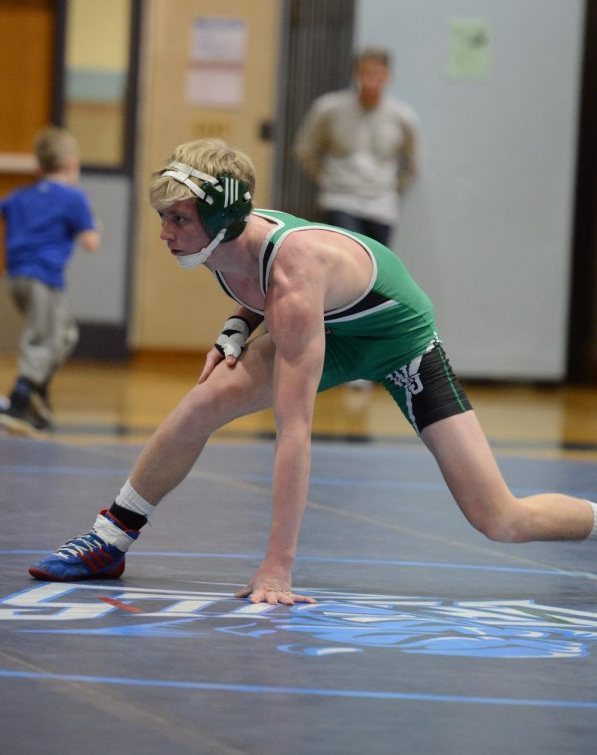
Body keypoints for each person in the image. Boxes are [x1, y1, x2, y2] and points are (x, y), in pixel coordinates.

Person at [28, 138, 597, 605]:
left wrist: (277, 567)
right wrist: (235, 327)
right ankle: (109, 540)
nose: (165, 232)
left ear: (222, 217)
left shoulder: (294, 273)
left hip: (398, 341)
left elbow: (294, 430)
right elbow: (251, 289)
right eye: (163, 217)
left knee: (500, 518)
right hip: (326, 321)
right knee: (201, 403)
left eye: (178, 218)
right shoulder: (220, 243)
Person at [0, 126, 101, 434]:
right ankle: (19, 399)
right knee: (43, 339)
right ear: (72, 164)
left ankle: (35, 390)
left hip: (16, 279)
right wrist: (93, 225)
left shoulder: (19, 196)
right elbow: (90, 242)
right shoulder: (74, 198)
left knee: (64, 335)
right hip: (43, 278)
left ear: (38, 167)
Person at [294, 46, 422, 246]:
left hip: (381, 202)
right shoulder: (329, 109)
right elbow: (306, 149)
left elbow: (413, 161)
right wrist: (325, 177)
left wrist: (394, 186)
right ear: (356, 74)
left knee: (376, 263)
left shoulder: (402, 117)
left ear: (388, 76)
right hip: (340, 197)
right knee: (348, 251)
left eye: (377, 74)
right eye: (365, 73)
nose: (370, 80)